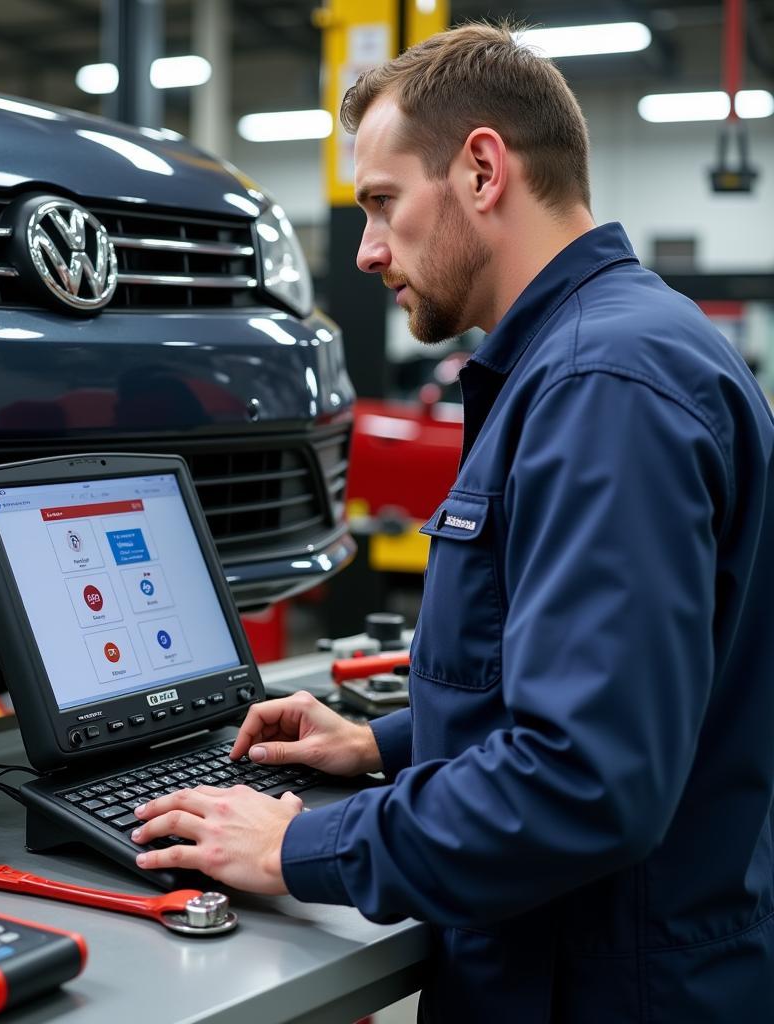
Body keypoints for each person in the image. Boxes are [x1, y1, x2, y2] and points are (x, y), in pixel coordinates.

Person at [131, 22, 774, 1022]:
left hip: (605, 984)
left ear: (481, 169)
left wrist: (293, 845)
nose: (368, 249)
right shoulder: (599, 355)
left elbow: (585, 781)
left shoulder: (606, 385)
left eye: (382, 202)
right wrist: (387, 742)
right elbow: (603, 692)